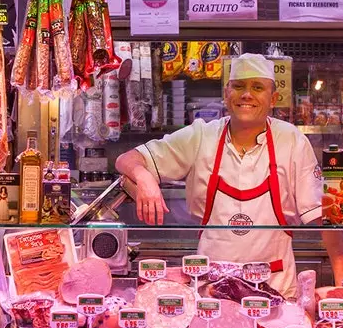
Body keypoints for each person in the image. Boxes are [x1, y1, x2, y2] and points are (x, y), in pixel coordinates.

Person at [115, 53, 324, 297]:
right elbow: (126, 159)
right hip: (210, 291)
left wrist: (341, 277)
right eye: (238, 86)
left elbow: (324, 219)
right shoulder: (201, 136)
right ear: (226, 95)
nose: (247, 94)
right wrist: (145, 177)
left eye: (258, 87)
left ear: (273, 99)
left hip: (275, 290)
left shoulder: (292, 140)